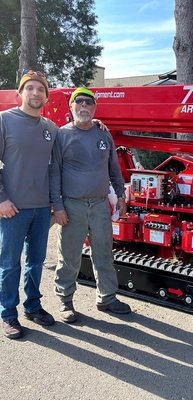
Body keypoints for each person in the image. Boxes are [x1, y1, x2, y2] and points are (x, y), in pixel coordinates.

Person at [50, 87, 131, 323]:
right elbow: (54, 174)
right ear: (71, 106)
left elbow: (114, 170)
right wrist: (58, 206)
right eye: (79, 101)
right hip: (71, 206)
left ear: (94, 108)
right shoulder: (61, 135)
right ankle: (65, 301)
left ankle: (107, 298)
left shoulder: (103, 135)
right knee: (70, 256)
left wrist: (121, 196)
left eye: (89, 103)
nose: (84, 106)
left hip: (99, 205)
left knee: (104, 254)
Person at [0, 69, 57, 339]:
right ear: (20, 93)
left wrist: (96, 123)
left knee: (36, 261)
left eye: (40, 89)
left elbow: (57, 167)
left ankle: (32, 306)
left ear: (46, 96)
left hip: (42, 209)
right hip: (13, 209)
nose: (35, 93)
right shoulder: (4, 121)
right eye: (30, 88)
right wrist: (1, 199)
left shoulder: (50, 129)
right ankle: (8, 314)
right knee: (10, 263)